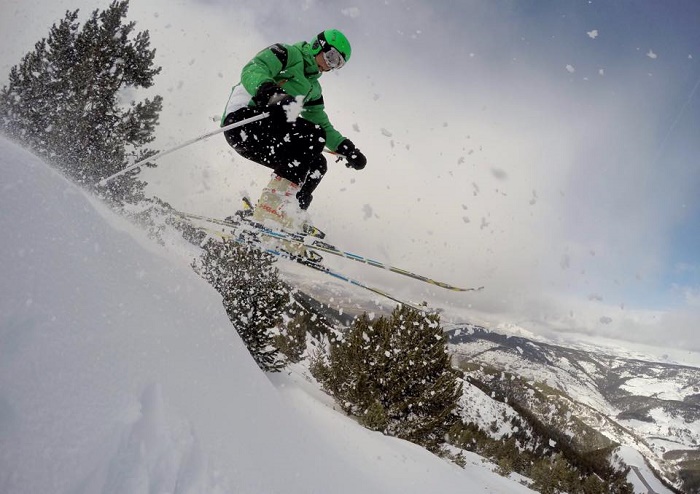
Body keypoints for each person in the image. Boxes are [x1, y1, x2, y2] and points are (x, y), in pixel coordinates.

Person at [221, 29, 367, 235]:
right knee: (311, 137)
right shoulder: (287, 54)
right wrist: (269, 91)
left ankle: (290, 214)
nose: (329, 65)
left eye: (337, 64)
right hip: (243, 121)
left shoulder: (312, 89)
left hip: (265, 133)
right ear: (318, 45)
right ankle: (270, 210)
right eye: (331, 57)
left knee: (317, 163)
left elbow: (323, 125)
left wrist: (346, 147)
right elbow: (253, 69)